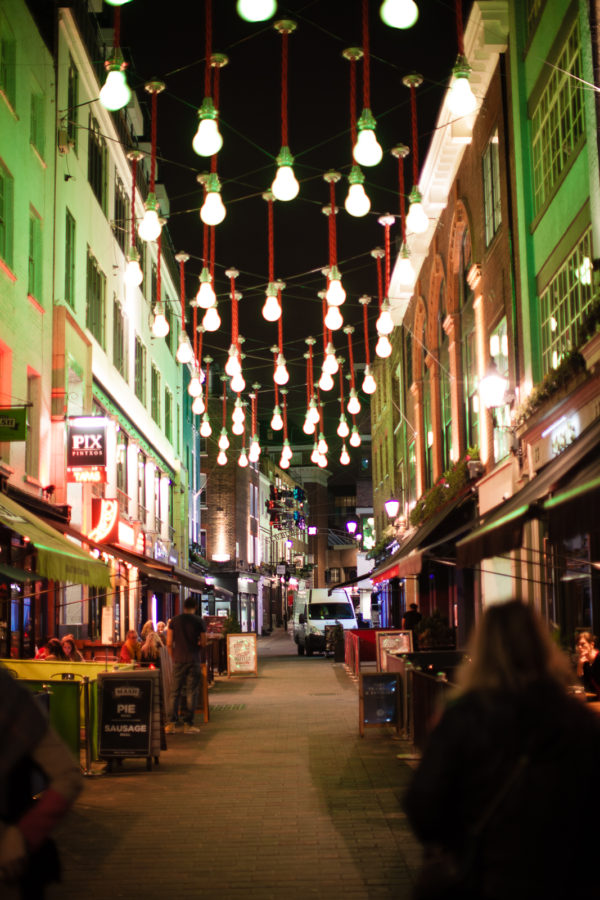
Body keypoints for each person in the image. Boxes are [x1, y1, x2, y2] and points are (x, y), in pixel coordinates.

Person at [403, 600, 600, 899]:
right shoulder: (577, 719)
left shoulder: (463, 717)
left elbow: (423, 804)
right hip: (562, 878)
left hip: (485, 876)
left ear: (482, 651)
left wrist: (459, 837)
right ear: (543, 647)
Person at [0, 666, 82, 897]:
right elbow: (68, 776)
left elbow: (68, 776)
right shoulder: (12, 697)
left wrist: (19, 837)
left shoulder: (9, 697)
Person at [165, 597, 206, 735]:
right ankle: (188, 724)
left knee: (174, 691)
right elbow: (204, 642)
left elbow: (169, 642)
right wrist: (197, 645)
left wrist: (173, 657)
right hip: (193, 659)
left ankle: (171, 724)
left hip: (178, 660)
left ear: (183, 606)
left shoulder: (174, 621)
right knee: (191, 691)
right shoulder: (199, 621)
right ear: (195, 607)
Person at [575, 630, 600, 697]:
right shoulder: (584, 662)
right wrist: (579, 666)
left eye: (582, 644)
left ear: (591, 645)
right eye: (578, 645)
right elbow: (581, 687)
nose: (579, 647)